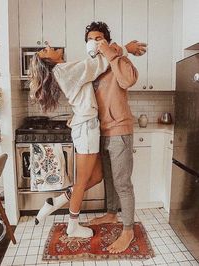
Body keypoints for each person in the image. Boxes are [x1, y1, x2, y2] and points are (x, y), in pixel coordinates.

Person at [29, 39, 138, 238]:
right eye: (46, 50)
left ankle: (57, 201)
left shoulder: (64, 69)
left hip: (88, 125)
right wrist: (124, 49)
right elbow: (98, 64)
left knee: (96, 177)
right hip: (86, 127)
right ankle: (73, 225)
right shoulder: (63, 69)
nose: (49, 46)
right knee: (81, 182)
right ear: (48, 61)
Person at [85, 21, 147, 253]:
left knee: (122, 182)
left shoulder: (118, 60)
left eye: (99, 38)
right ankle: (111, 214)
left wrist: (116, 53)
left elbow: (128, 81)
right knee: (109, 179)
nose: (95, 42)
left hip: (120, 130)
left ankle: (128, 229)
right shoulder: (92, 66)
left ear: (107, 41)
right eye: (91, 39)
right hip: (99, 132)